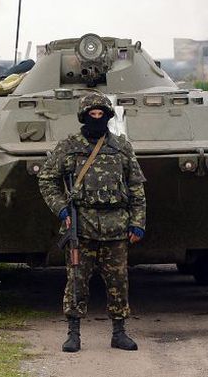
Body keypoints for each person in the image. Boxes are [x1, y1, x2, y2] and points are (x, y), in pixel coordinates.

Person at [38, 93, 147, 353]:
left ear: (108, 117)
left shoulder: (121, 147)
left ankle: (119, 333)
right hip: (81, 226)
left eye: (101, 114)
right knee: (76, 281)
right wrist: (62, 209)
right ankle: (73, 333)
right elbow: (47, 179)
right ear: (83, 117)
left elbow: (136, 187)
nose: (96, 118)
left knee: (118, 282)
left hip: (116, 227)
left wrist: (138, 222)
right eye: (92, 115)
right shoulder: (69, 146)